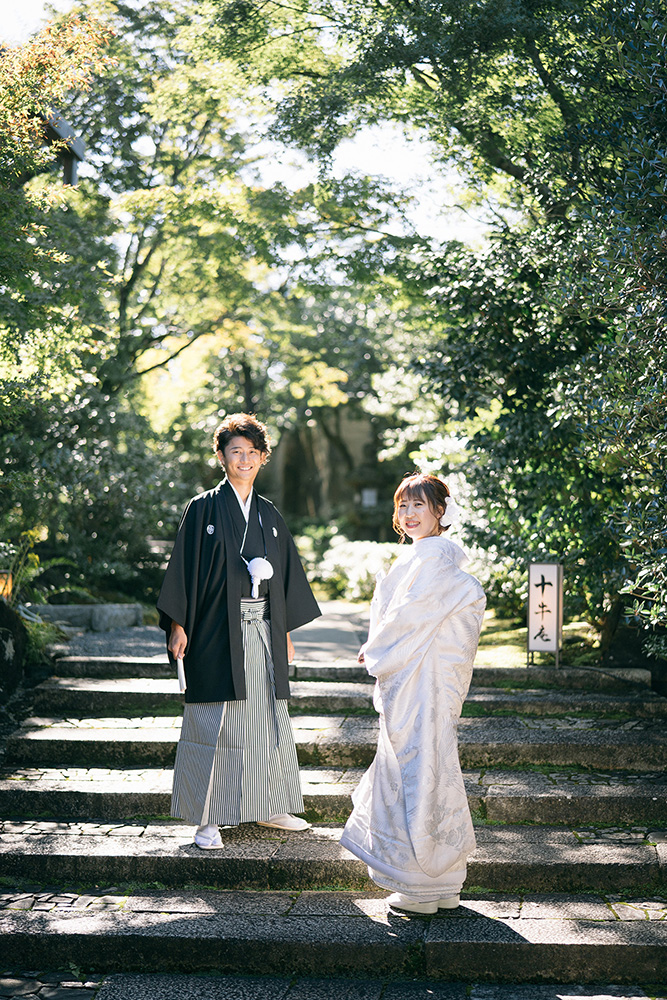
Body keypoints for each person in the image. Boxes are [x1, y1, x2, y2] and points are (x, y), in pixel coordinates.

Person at [157, 412, 321, 849]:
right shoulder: (203, 508)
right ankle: (207, 818)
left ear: (262, 458)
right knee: (214, 723)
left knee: (265, 720)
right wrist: (178, 624)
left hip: (263, 629)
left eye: (252, 452)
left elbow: (285, 580)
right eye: (235, 452)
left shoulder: (268, 514)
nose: (243, 459)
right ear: (222, 457)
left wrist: (285, 634)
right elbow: (184, 570)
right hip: (213, 630)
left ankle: (268, 804)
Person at [340, 472, 485, 913]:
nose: (409, 514)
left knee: (412, 772)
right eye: (403, 506)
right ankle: (443, 883)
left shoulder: (430, 563)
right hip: (428, 687)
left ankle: (420, 886)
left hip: (421, 688)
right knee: (432, 770)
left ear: (440, 511)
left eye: (419, 505)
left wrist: (375, 649)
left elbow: (406, 618)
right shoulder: (430, 562)